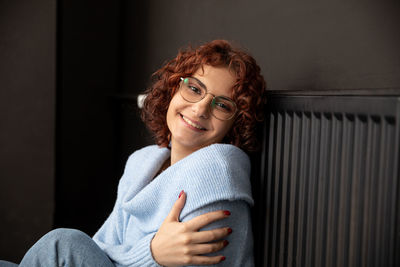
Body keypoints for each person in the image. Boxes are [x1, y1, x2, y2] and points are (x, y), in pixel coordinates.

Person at [0, 39, 266, 267]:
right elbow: (101, 247)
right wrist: (151, 253)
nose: (200, 109)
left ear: (235, 124)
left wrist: (149, 254)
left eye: (222, 105)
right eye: (194, 89)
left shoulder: (216, 171)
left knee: (63, 245)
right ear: (174, 88)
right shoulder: (143, 163)